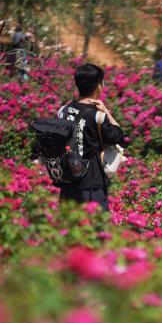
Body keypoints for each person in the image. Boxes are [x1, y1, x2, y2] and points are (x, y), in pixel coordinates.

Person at [56, 63, 125, 212]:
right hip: (91, 185)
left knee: (69, 224)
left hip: (68, 182)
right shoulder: (97, 116)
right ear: (99, 86)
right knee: (97, 225)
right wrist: (106, 112)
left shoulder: (63, 111)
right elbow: (118, 136)